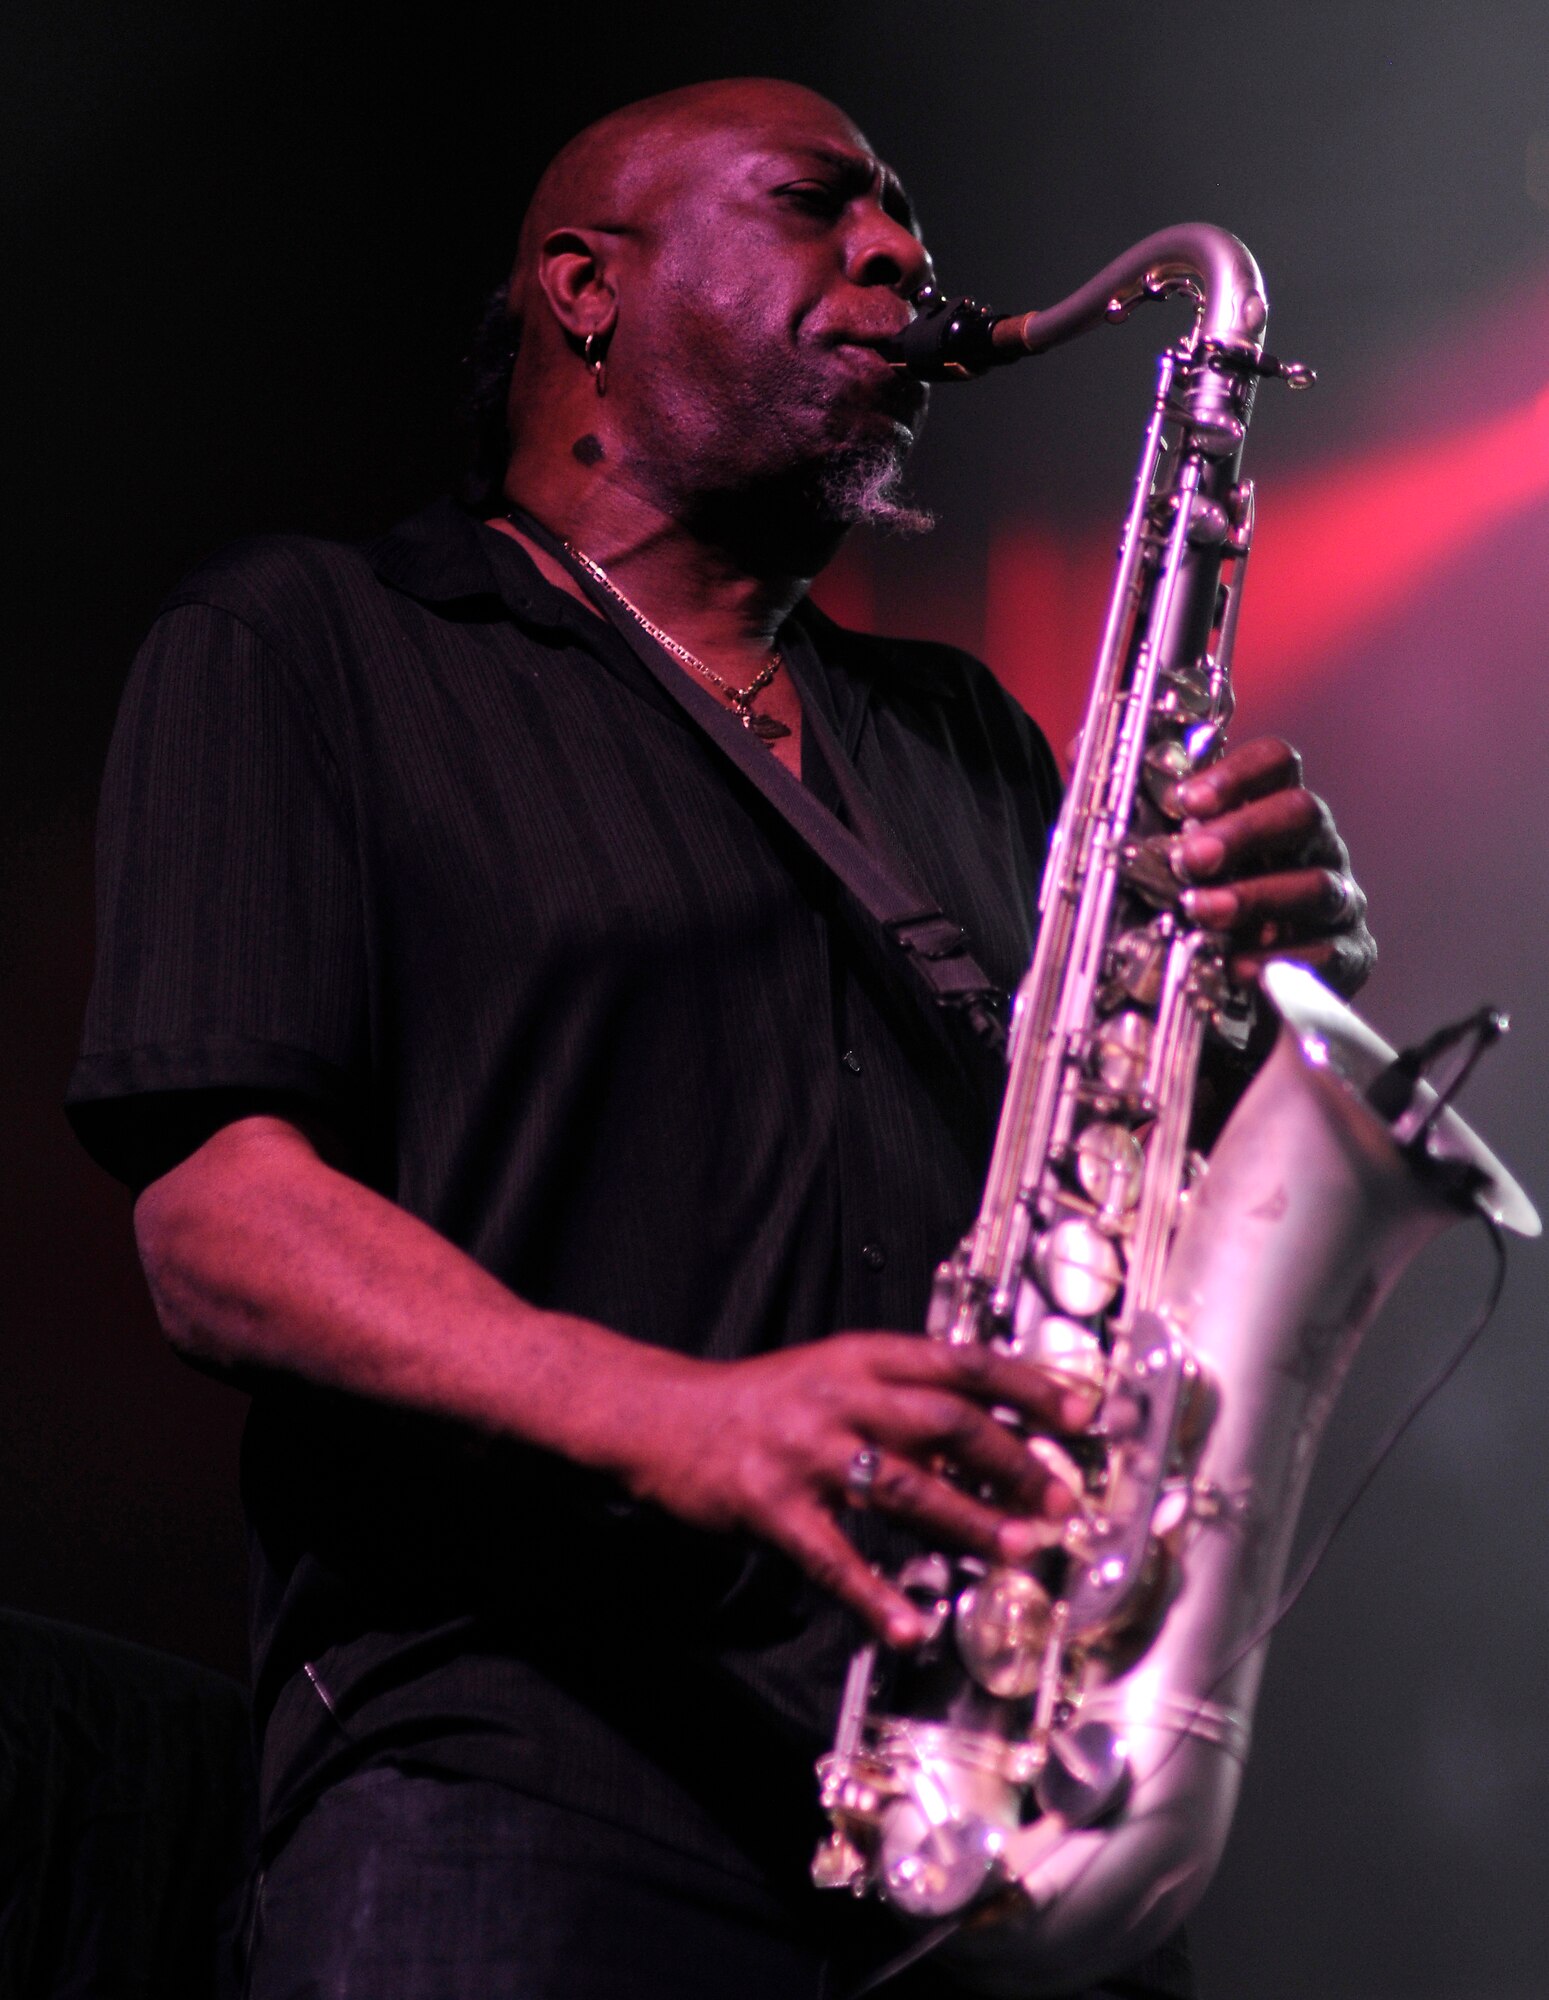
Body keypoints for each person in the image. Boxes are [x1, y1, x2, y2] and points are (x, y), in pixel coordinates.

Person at [67, 77, 1373, 2000]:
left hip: (986, 1797)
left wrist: (1251, 999)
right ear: (585, 286)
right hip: (526, 1769)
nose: (900, 256)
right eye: (819, 204)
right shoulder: (307, 644)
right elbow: (216, 1224)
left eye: (908, 224)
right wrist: (677, 1414)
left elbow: (1130, 1203)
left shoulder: (969, 740)